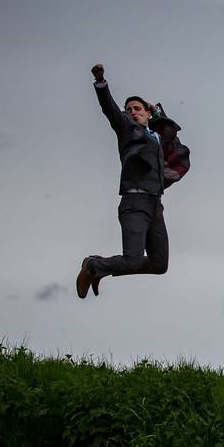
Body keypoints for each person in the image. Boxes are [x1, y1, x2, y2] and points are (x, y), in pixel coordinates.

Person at [76, 63, 169, 299]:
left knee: (159, 264)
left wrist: (155, 109)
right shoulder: (127, 129)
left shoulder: (157, 136)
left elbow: (169, 131)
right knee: (133, 259)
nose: (133, 112)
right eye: (129, 109)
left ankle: (101, 268)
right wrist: (101, 83)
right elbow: (110, 110)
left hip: (155, 205)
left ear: (147, 113)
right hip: (134, 202)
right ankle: (93, 267)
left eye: (137, 108)